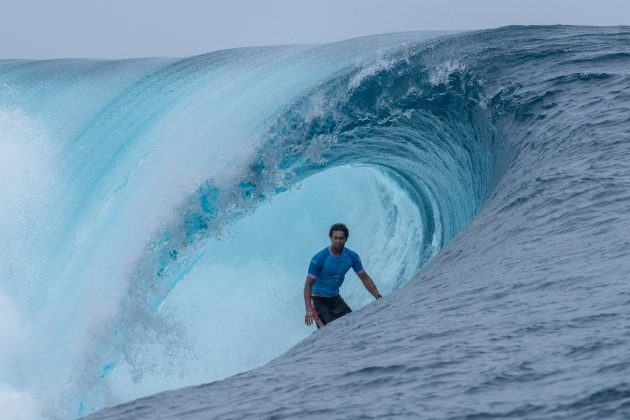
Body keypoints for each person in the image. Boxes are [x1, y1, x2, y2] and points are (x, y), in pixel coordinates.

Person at [304, 223, 382, 328]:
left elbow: (365, 278)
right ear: (331, 238)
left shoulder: (351, 256)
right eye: (335, 238)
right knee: (329, 331)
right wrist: (308, 309)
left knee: (354, 325)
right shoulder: (320, 258)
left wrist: (378, 297)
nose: (338, 241)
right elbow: (308, 285)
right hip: (318, 301)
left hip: (335, 298)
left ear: (346, 239)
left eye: (341, 238)